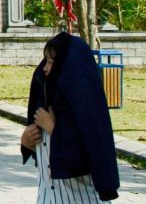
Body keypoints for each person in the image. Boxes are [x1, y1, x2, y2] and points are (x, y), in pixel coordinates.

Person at [20, 32, 119, 203]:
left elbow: (91, 152)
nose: (44, 68)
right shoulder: (47, 101)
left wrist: (53, 129)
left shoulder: (86, 109)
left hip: (82, 198)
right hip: (47, 196)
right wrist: (26, 141)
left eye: (51, 62)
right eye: (46, 61)